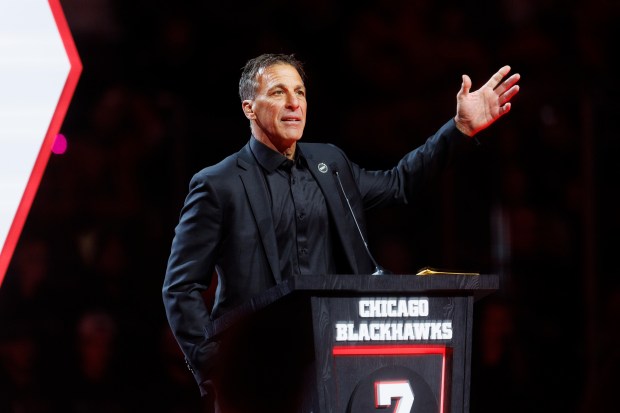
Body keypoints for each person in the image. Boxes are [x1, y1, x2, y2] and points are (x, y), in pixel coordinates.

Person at [162, 53, 520, 411]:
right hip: (259, 375)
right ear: (249, 109)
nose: (293, 103)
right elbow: (180, 287)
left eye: (300, 92)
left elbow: (398, 184)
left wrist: (458, 129)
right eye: (278, 92)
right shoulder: (218, 184)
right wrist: (215, 366)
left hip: (335, 363)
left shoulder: (330, 165)